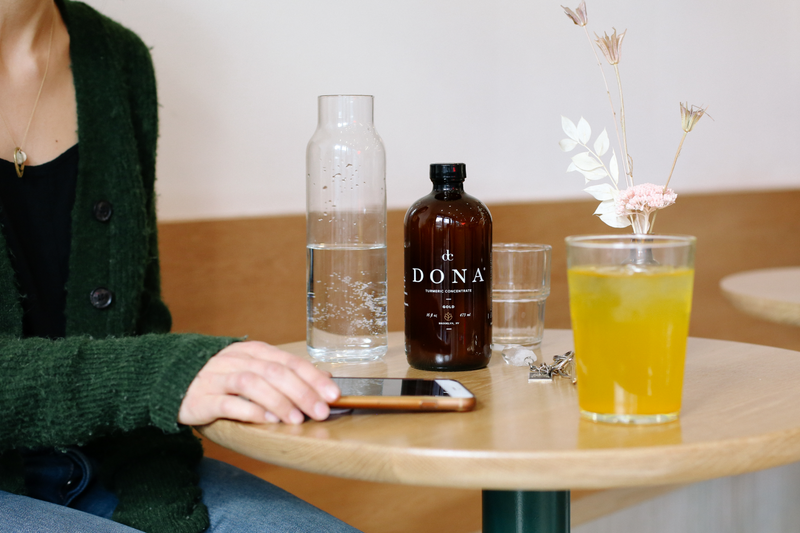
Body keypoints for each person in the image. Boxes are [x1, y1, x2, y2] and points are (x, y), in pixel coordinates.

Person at [0, 1, 359, 531]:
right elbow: (146, 368)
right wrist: (162, 373)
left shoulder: (115, 57)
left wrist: (160, 500)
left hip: (115, 459)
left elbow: (137, 319)